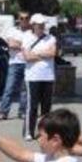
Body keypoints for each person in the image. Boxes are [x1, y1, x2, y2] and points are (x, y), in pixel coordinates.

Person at [22, 14, 57, 142]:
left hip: (48, 76)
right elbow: (27, 57)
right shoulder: (26, 37)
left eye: (43, 25)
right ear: (33, 25)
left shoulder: (51, 38)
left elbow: (52, 53)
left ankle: (45, 131)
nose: (41, 27)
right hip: (33, 77)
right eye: (39, 25)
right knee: (32, 106)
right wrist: (44, 54)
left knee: (46, 107)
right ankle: (29, 132)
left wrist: (36, 54)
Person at [0, 12, 30, 123]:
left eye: (26, 18)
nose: (24, 20)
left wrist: (19, 44)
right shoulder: (12, 30)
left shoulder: (31, 32)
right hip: (14, 63)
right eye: (22, 18)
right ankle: (3, 112)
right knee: (9, 88)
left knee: (25, 89)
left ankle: (22, 111)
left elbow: (30, 46)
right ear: (18, 19)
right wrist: (25, 45)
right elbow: (11, 44)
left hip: (27, 63)